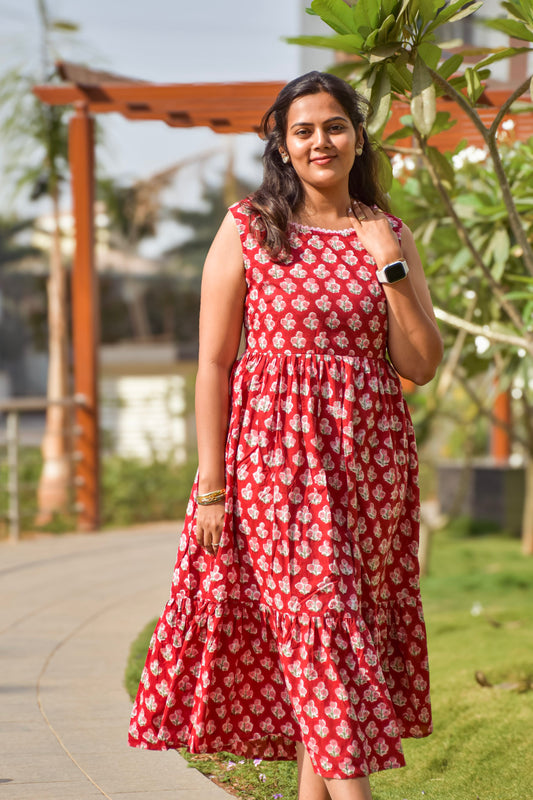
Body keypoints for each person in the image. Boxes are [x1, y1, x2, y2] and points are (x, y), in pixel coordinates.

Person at [128, 71, 443, 800]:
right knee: (321, 621)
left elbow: (419, 365)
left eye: (333, 125)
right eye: (302, 130)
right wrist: (211, 485)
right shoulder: (249, 227)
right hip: (275, 464)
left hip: (370, 469)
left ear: (357, 136)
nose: (319, 141)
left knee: (332, 632)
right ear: (282, 144)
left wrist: (386, 267)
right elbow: (213, 362)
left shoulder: (388, 232)